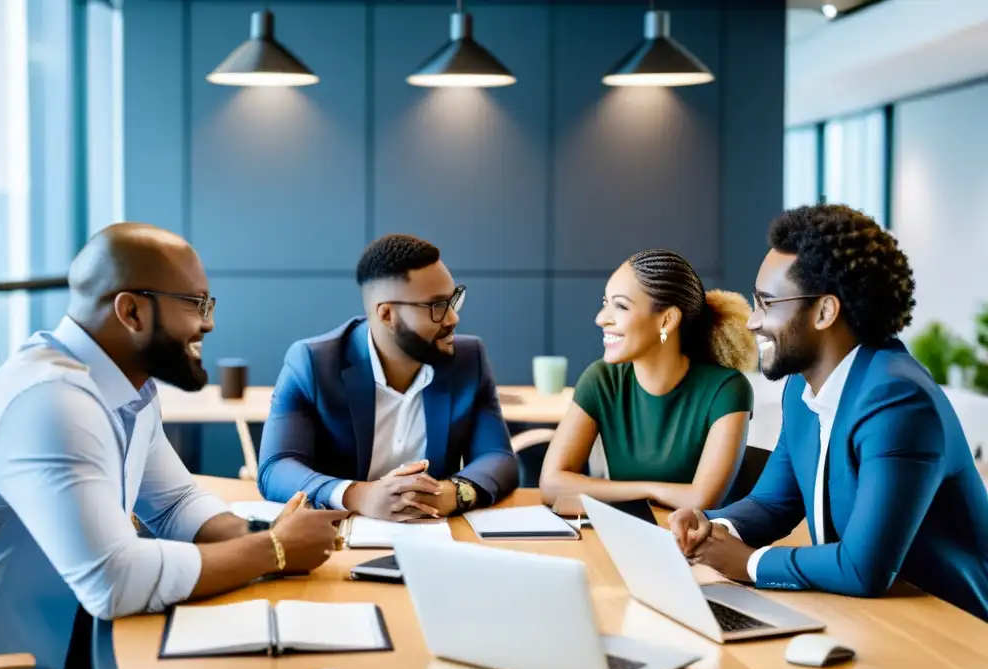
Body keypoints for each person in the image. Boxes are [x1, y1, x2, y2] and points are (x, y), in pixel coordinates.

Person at [0, 224, 346, 669]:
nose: (209, 322)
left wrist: (264, 534)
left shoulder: (126, 387)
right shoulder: (50, 403)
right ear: (131, 311)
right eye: (195, 304)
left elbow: (173, 504)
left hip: (76, 634)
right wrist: (274, 552)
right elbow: (112, 582)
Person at [670, 204, 988, 622]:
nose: (752, 321)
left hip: (951, 632)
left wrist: (749, 564)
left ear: (824, 311)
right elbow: (773, 503)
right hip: (867, 616)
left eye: (767, 303)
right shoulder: (802, 387)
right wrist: (714, 527)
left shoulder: (897, 399)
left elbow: (863, 568)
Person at [258, 233, 519, 520]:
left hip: (436, 533)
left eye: (453, 300)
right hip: (340, 538)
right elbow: (276, 467)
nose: (453, 318)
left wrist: (451, 493)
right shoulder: (313, 362)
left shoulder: (469, 359)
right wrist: (360, 495)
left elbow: (499, 458)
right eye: (437, 306)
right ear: (386, 314)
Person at [540, 249, 756, 511]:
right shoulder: (602, 379)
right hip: (628, 534)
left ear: (666, 319)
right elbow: (551, 485)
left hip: (697, 544)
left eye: (620, 306)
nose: (601, 318)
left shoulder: (727, 389)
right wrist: (649, 489)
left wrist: (596, 492)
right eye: (605, 302)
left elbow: (702, 500)